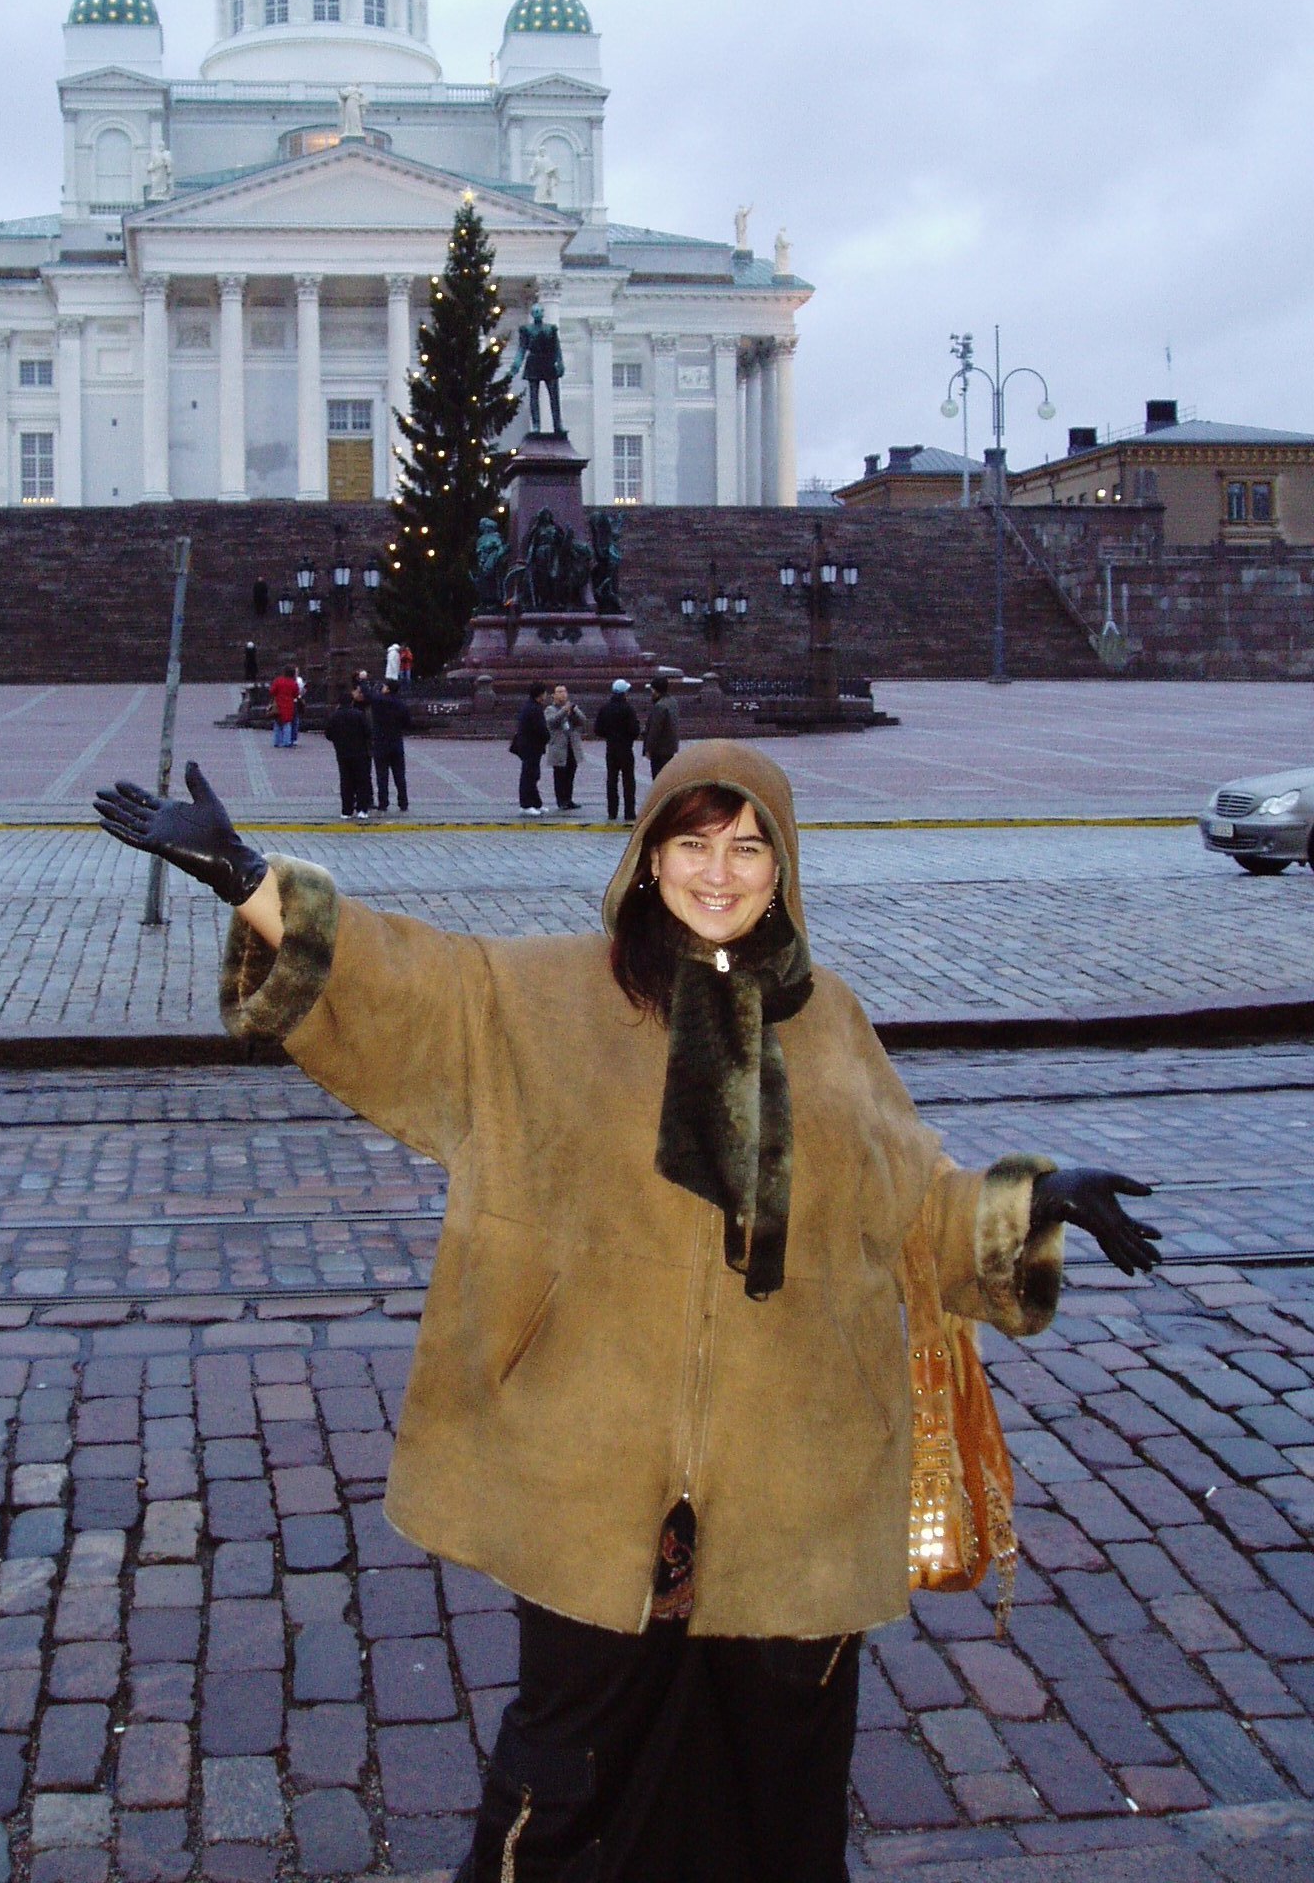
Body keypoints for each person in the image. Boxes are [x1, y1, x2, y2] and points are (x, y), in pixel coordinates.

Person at [94, 746, 1160, 1883]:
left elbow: (910, 1209)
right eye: (693, 843)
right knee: (560, 1784)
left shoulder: (829, 1019)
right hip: (598, 1481)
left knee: (785, 1794)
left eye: (747, 847)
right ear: (650, 858)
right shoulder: (546, 996)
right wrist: (248, 877)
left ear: (783, 868)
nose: (720, 872)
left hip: (795, 1486)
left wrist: (1030, 1201)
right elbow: (399, 983)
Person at [324, 681, 374, 821]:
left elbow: (328, 734)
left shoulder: (334, 716)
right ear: (351, 702)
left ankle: (346, 810)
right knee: (362, 781)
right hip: (360, 752)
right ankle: (362, 809)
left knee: (346, 782)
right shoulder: (358, 715)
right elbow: (368, 732)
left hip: (343, 753)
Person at [594, 678, 641, 822]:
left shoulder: (605, 708)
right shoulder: (628, 709)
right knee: (628, 781)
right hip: (626, 748)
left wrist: (610, 735)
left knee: (612, 780)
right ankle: (629, 812)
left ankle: (612, 812)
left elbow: (597, 729)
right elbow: (635, 730)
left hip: (611, 748)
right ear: (624, 693)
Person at [370, 679, 411, 815]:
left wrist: (362, 680)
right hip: (396, 742)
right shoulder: (401, 704)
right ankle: (403, 802)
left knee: (382, 776)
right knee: (399, 775)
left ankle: (383, 803)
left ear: (387, 689)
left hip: (380, 742)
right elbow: (408, 723)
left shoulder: (378, 701)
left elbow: (368, 695)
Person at [544, 684, 585, 814]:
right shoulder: (550, 709)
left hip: (572, 746)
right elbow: (552, 721)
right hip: (559, 747)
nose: (563, 694)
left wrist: (573, 711)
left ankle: (569, 799)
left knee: (570, 775)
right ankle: (561, 801)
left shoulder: (572, 708)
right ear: (554, 695)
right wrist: (563, 711)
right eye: (559, 692)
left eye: (564, 691)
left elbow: (582, 720)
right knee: (560, 776)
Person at [510, 683, 549, 816]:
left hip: (530, 746)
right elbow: (540, 729)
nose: (546, 695)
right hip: (531, 747)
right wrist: (547, 737)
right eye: (545, 693)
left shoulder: (531, 706)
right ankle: (526, 805)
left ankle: (536, 803)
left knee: (533, 774)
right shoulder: (534, 709)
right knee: (529, 775)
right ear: (540, 694)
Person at [644, 675, 682, 779]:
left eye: (652, 690)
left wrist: (648, 748)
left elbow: (655, 729)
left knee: (658, 777)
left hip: (660, 749)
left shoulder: (659, 706)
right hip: (670, 746)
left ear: (656, 690)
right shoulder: (672, 701)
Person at [268, 666, 300, 750]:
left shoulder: (278, 681)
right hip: (289, 705)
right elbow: (296, 694)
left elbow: (272, 691)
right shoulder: (293, 683)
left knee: (277, 723)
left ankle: (277, 742)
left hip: (278, 704)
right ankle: (287, 742)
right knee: (287, 723)